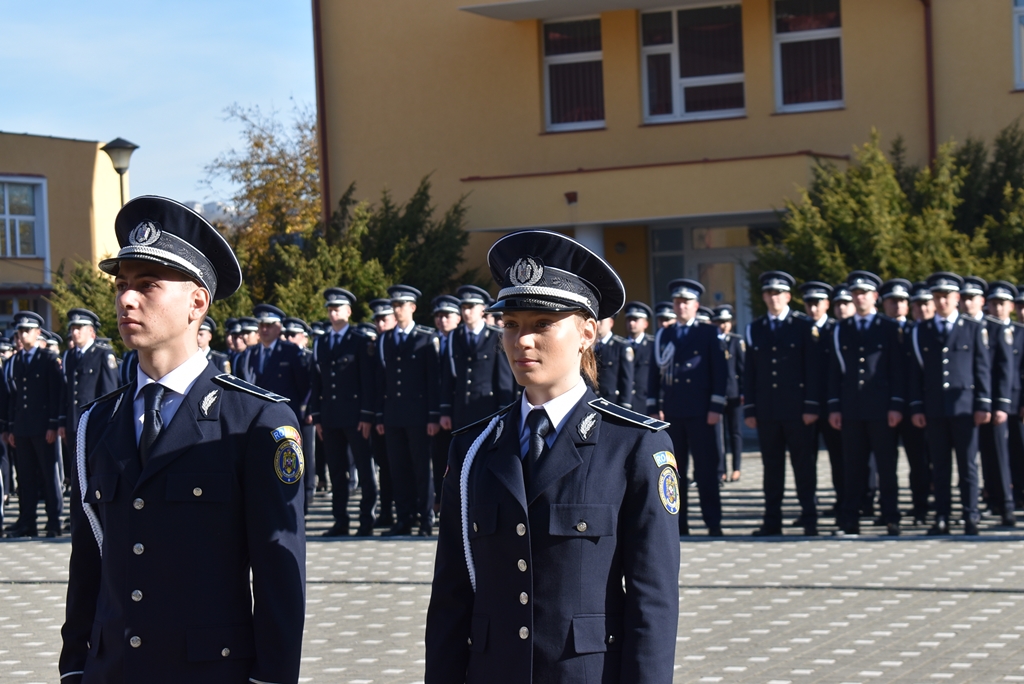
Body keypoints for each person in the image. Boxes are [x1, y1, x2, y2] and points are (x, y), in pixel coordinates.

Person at [59, 195, 305, 683]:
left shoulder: (257, 419)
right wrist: (73, 668)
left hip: (210, 671)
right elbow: (88, 561)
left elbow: (279, 578)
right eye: (122, 285)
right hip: (112, 670)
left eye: (148, 285)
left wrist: (272, 679)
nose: (127, 299)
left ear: (198, 302)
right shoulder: (97, 421)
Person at [425, 230, 679, 684]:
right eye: (511, 325)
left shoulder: (634, 445)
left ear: (586, 332)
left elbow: (652, 602)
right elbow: (451, 597)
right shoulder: (473, 448)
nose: (523, 340)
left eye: (542, 324)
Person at [908, 272, 993, 535]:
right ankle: (942, 516)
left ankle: (971, 515)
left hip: (964, 407)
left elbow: (982, 369)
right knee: (940, 466)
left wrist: (984, 404)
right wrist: (916, 407)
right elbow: (915, 374)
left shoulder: (973, 328)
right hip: (934, 408)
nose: (942, 301)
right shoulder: (921, 330)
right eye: (937, 297)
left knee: (967, 466)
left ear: (957, 298)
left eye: (946, 297)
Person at [827, 271, 905, 536]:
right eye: (855, 294)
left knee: (886, 465)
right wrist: (835, 406)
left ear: (875, 297)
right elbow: (834, 372)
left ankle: (891, 516)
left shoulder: (889, 328)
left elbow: (897, 370)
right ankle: (850, 518)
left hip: (882, 407)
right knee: (853, 465)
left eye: (864, 293)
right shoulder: (840, 329)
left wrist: (896, 404)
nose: (859, 298)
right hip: (851, 408)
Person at [648, 278, 727, 537]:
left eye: (686, 302)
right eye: (677, 302)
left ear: (696, 306)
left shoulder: (708, 332)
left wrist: (716, 405)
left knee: (706, 470)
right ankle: (678, 524)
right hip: (672, 412)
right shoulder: (665, 334)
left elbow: (720, 371)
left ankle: (713, 522)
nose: (681, 306)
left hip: (702, 411)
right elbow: (654, 374)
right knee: (674, 471)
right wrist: (653, 406)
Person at [744, 271, 820, 537]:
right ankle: (772, 520)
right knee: (771, 469)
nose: (773, 298)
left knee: (803, 466)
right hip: (768, 410)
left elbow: (812, 369)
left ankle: (810, 518)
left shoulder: (802, 326)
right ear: (764, 296)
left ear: (788, 296)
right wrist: (750, 408)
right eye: (769, 293)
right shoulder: (756, 328)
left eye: (778, 293)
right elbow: (750, 372)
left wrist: (812, 406)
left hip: (798, 410)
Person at [308, 287, 377, 536]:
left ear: (348, 312)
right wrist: (316, 417)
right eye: (330, 308)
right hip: (330, 416)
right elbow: (317, 382)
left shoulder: (359, 341)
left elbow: (368, 381)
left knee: (364, 468)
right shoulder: (321, 342)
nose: (332, 312)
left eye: (337, 308)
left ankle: (366, 520)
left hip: (356, 416)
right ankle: (340, 520)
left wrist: (367, 415)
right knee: (336, 471)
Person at [376, 284, 440, 536]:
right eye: (394, 305)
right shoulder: (386, 339)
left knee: (422, 469)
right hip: (393, 414)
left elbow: (432, 381)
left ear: (412, 308)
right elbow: (382, 380)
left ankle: (425, 519)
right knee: (398, 469)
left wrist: (434, 415)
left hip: (419, 415)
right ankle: (403, 518)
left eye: (401, 305)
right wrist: (381, 414)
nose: (397, 309)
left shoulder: (425, 339)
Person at [4, 312, 63, 538]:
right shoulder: (16, 361)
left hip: (42, 427)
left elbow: (55, 393)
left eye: (27, 330)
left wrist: (53, 423)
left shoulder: (48, 359)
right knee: (26, 478)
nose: (22, 335)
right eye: (20, 331)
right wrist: (10, 427)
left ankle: (53, 521)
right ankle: (27, 521)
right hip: (22, 427)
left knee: (49, 476)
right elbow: (14, 397)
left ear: (38, 333)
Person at [882, 278, 931, 525]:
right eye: (892, 301)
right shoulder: (878, 330)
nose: (897, 305)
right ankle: (888, 510)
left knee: (919, 460)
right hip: (885, 406)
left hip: (912, 406)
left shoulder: (916, 330)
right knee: (886, 462)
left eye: (902, 301)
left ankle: (920, 507)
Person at [58, 309, 120, 497]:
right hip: (73, 423)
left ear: (91, 331)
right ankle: (78, 513)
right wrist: (62, 421)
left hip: (94, 423)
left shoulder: (103, 354)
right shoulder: (69, 356)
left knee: (94, 470)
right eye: (72, 328)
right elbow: (65, 391)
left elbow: (109, 393)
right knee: (76, 470)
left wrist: (105, 424)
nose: (74, 332)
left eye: (79, 328)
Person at [440, 284, 515, 432]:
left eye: (471, 306)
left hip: (488, 410)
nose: (466, 312)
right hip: (461, 410)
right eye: (463, 307)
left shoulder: (496, 336)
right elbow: (448, 376)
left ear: (482, 309)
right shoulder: (455, 336)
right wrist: (445, 410)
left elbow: (504, 378)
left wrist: (503, 410)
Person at [800, 281, 843, 520]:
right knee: (807, 462)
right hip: (806, 407)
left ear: (827, 304)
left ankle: (842, 504)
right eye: (809, 303)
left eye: (817, 303)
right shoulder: (800, 329)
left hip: (831, 406)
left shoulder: (835, 329)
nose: (813, 308)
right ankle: (809, 510)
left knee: (839, 459)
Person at [978, 281, 1019, 526]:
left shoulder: (1007, 330)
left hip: (1002, 404)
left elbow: (1008, 370)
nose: (996, 308)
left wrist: (1001, 403)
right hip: (978, 404)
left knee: (1003, 455)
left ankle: (1007, 505)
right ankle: (991, 499)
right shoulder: (979, 328)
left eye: (1001, 303)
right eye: (992, 303)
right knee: (986, 456)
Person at [238, 304, 310, 425]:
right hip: (257, 415)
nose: (264, 329)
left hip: (284, 413)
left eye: (269, 325)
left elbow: (303, 385)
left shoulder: (291, 351)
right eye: (261, 325)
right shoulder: (250, 353)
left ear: (279, 328)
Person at [431, 294, 462, 511]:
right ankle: (439, 501)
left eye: (447, 315)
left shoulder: (462, 340)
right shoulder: (429, 341)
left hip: (460, 410)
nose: (443, 320)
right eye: (439, 316)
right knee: (439, 460)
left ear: (458, 318)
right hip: (436, 412)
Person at [369, 297, 397, 528]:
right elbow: (377, 384)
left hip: (400, 413)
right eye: (377, 320)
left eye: (384, 319)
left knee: (399, 467)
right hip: (383, 415)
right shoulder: (378, 342)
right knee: (384, 467)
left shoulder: (395, 342)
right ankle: (386, 511)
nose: (380, 324)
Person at [712, 304, 745, 484]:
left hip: (734, 394)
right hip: (718, 395)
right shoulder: (712, 340)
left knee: (735, 432)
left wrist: (743, 391)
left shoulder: (736, 341)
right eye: (719, 322)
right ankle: (721, 469)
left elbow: (743, 368)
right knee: (719, 435)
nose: (723, 325)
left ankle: (737, 468)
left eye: (725, 322)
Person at [593, 314, 635, 408]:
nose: (597, 323)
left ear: (611, 323)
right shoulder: (590, 346)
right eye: (595, 320)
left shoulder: (621, 346)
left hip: (612, 402)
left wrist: (625, 404)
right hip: (593, 400)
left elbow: (627, 378)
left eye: (601, 320)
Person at [623, 301, 655, 414]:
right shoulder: (620, 345)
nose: (631, 323)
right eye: (629, 319)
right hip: (623, 403)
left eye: (636, 320)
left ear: (645, 324)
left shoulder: (653, 345)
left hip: (645, 402)